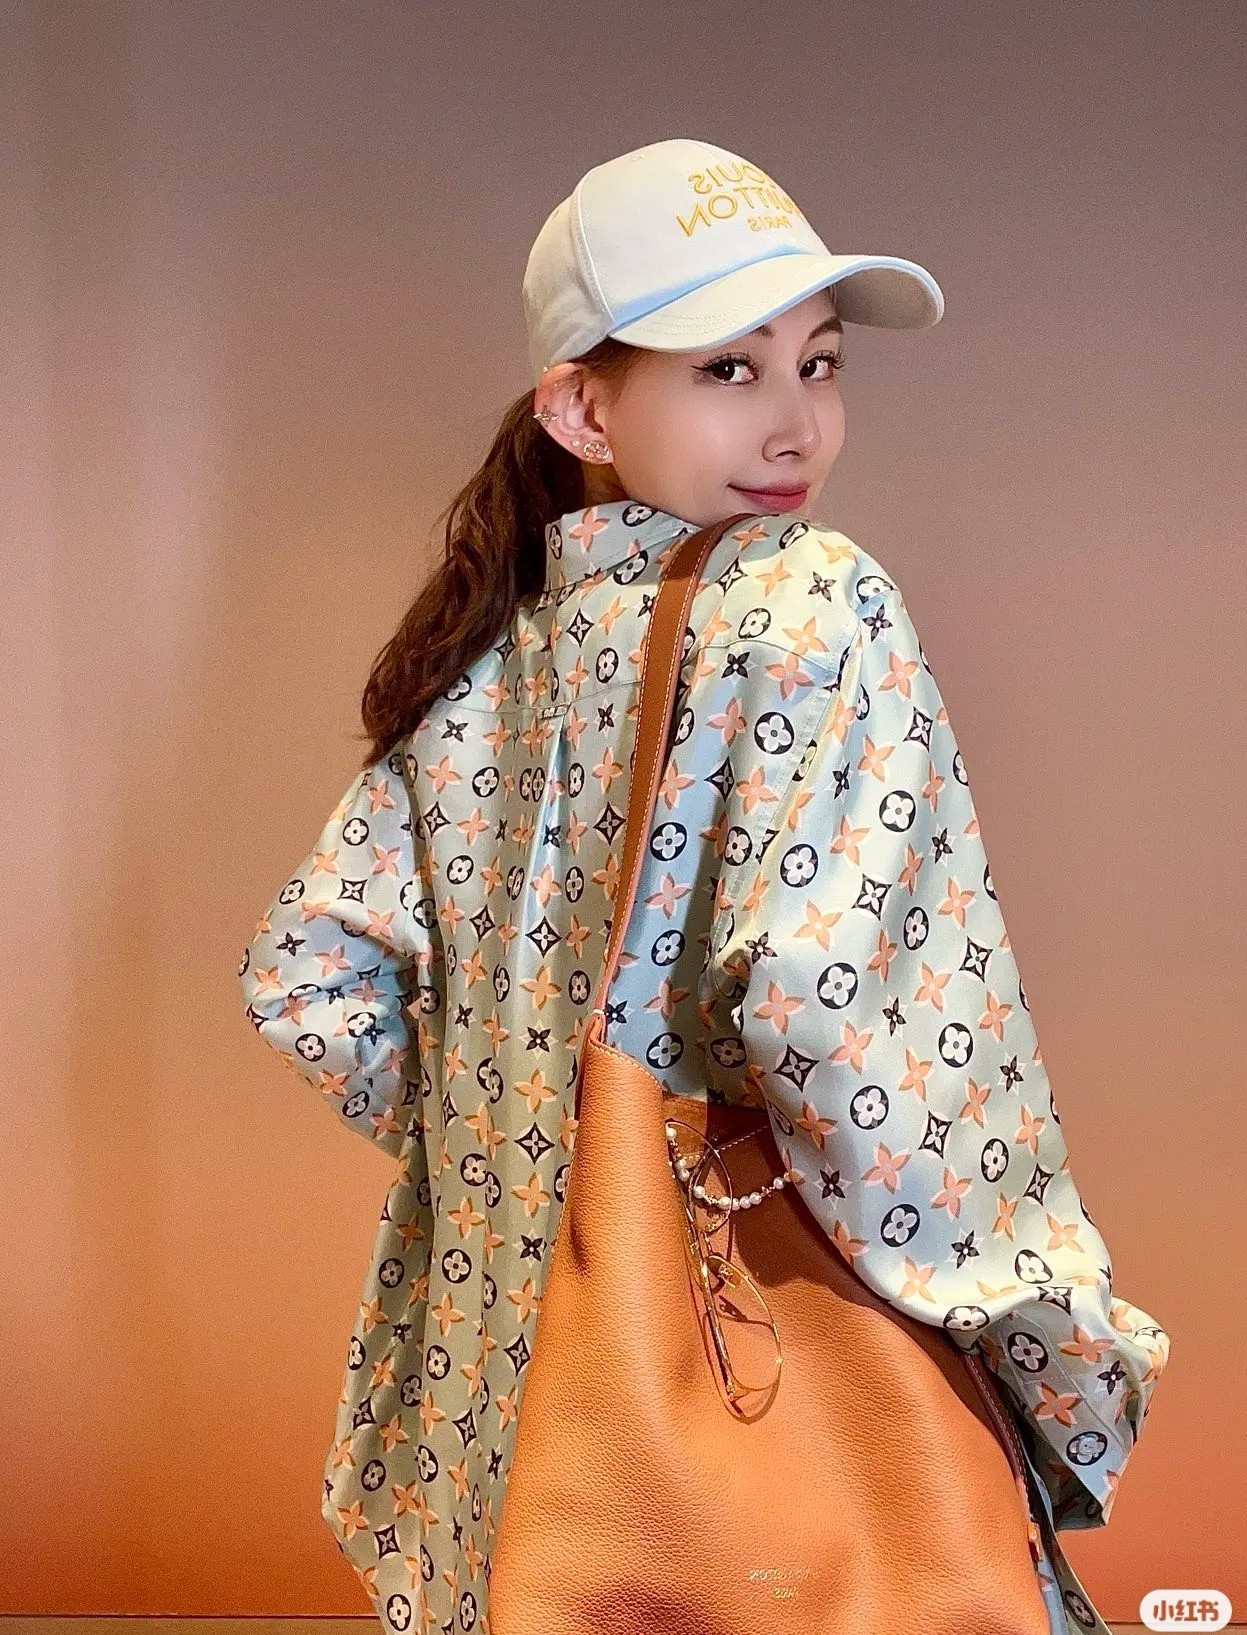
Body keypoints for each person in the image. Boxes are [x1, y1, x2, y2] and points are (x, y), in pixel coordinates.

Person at [238, 137, 1169, 1635]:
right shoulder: (814, 602)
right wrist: (1052, 1333)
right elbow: (842, 1028)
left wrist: (511, 1148)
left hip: (502, 1428)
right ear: (581, 407)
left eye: (819, 362)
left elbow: (309, 981)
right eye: (728, 369)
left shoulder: (489, 657)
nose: (797, 420)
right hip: (748, 1403)